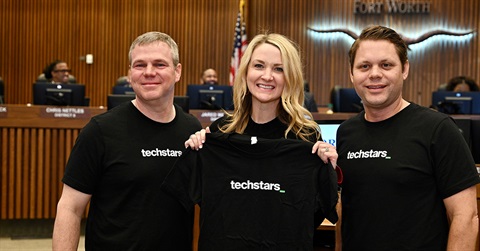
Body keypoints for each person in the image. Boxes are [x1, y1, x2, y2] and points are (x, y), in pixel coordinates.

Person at [179, 33, 340, 248]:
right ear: (245, 72)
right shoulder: (220, 132)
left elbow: (316, 213)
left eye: (278, 69)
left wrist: (328, 168)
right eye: (259, 66)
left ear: (290, 76)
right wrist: (197, 149)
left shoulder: (306, 138)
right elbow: (197, 201)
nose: (267, 76)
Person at [52, 31, 202, 250]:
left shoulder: (192, 130)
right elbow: (70, 208)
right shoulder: (100, 131)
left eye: (160, 64)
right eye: (140, 65)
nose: (149, 72)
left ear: (177, 71)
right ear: (130, 74)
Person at [336, 25, 480, 250]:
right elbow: (345, 209)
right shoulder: (345, 132)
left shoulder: (438, 129)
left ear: (404, 69)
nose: (375, 74)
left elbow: (466, 217)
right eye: (364, 66)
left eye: (386, 65)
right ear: (352, 73)